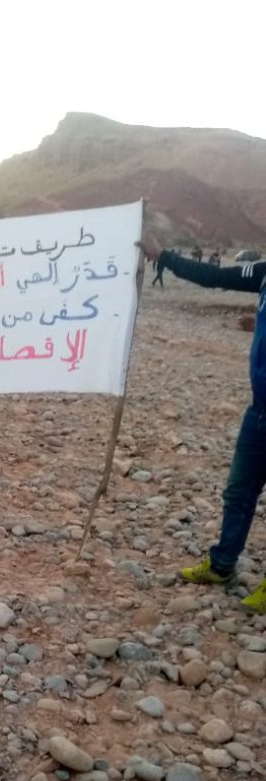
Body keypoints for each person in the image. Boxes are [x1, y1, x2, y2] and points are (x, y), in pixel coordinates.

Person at [140, 241, 266, 613]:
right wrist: (165, 257)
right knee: (238, 492)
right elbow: (213, 276)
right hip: (259, 412)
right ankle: (222, 565)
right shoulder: (263, 275)